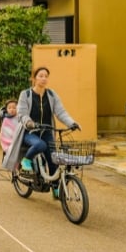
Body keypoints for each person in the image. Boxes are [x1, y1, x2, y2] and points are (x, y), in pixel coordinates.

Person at [16, 66, 81, 198]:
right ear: (34, 78)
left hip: (47, 131)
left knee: (54, 159)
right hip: (30, 132)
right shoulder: (26, 94)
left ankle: (56, 189)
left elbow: (61, 112)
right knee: (41, 145)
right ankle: (26, 161)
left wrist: (72, 123)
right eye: (40, 76)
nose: (44, 79)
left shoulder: (51, 95)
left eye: (46, 76)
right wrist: (29, 122)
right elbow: (21, 113)